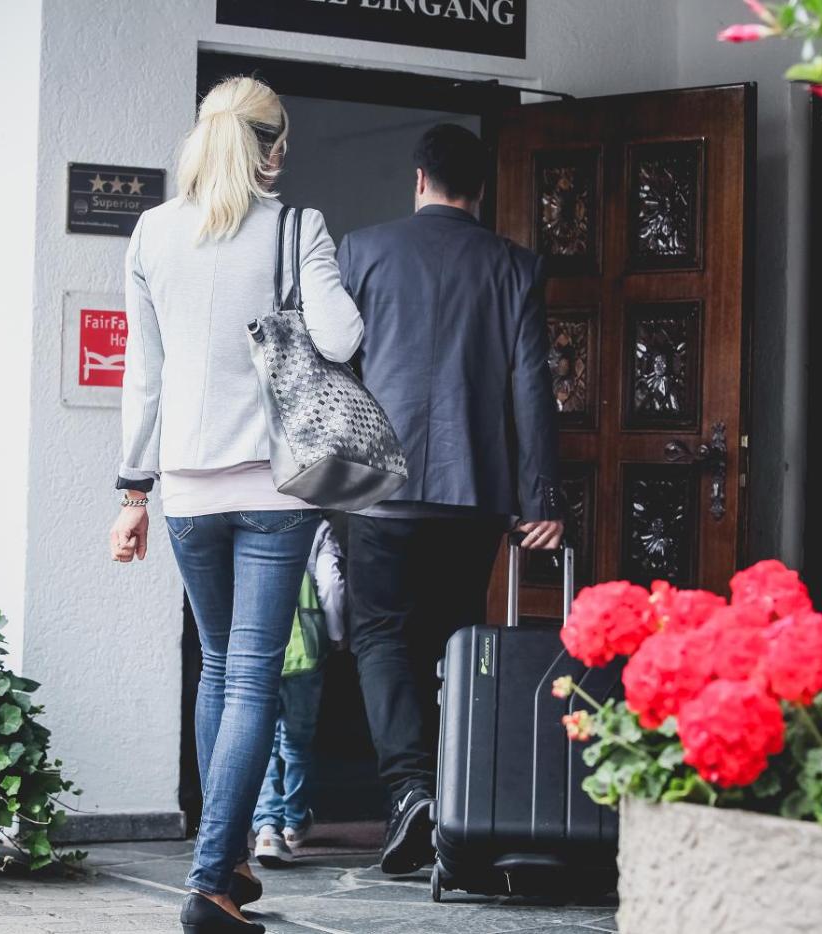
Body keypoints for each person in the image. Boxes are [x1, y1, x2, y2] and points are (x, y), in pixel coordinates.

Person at [108, 76, 363, 934]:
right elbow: (342, 337)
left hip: (184, 488)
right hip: (272, 486)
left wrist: (132, 491)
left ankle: (230, 862)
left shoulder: (152, 232)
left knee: (219, 667)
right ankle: (211, 878)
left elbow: (142, 377)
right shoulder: (296, 227)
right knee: (251, 675)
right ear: (274, 148)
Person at [337, 123, 563, 876]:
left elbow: (331, 367)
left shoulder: (362, 252)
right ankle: (458, 803)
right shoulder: (514, 265)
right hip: (475, 494)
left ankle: (410, 791)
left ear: (418, 178)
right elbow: (532, 388)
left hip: (378, 489)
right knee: (457, 640)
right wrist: (542, 497)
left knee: (380, 637)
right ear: (482, 188)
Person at [251, 518, 346, 867]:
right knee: (296, 741)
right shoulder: (317, 528)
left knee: (261, 741)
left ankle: (266, 826)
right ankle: (293, 821)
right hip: (306, 653)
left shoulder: (252, 521)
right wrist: (336, 635)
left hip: (258, 650)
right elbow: (331, 585)